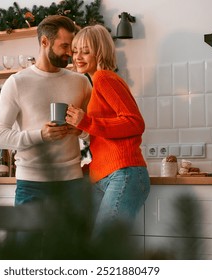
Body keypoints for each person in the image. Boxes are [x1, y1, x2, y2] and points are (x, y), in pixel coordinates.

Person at [0, 15, 92, 208]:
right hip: (31, 185)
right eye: (64, 46)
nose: (70, 53)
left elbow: (95, 132)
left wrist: (81, 130)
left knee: (71, 240)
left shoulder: (81, 82)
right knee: (25, 240)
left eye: (72, 46)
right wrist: (41, 135)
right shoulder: (17, 82)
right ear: (44, 42)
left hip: (72, 184)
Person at [66, 24, 150, 238]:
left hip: (123, 173)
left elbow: (134, 123)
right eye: (75, 51)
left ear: (100, 51)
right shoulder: (97, 82)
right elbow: (105, 134)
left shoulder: (104, 78)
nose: (78, 57)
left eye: (85, 51)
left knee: (103, 247)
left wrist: (86, 122)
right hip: (107, 176)